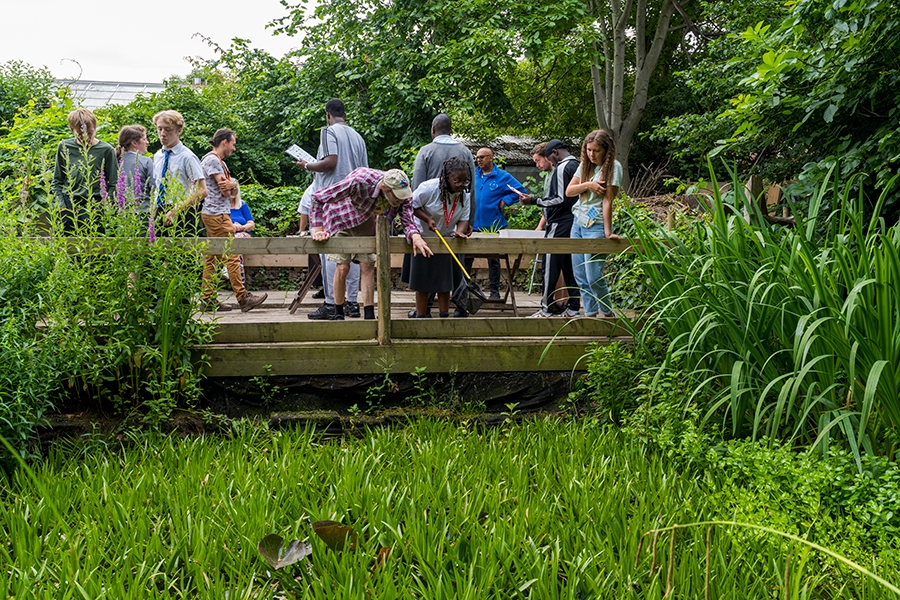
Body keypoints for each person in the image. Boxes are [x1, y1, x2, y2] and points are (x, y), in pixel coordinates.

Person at [309, 168, 433, 321]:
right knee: (342, 266)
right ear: (384, 188)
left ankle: (369, 315)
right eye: (397, 197)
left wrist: (415, 236)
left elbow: (407, 220)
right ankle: (338, 312)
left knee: (367, 266)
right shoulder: (359, 181)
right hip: (342, 220)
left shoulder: (403, 193)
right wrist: (319, 230)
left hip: (369, 226)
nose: (401, 200)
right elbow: (317, 198)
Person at [294, 98, 367, 320]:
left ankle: (330, 303)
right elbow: (363, 171)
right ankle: (352, 303)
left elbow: (330, 162)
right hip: (355, 202)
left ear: (328, 115)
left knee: (330, 254)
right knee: (352, 252)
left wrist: (307, 165)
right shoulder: (358, 137)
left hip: (332, 200)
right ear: (344, 114)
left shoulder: (328, 132)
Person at [406, 113, 477, 317]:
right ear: (451, 130)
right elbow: (415, 197)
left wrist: (463, 227)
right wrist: (471, 224)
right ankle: (423, 312)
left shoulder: (426, 151)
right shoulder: (465, 151)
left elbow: (468, 192)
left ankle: (437, 311)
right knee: (426, 273)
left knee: (447, 273)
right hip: (428, 225)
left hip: (450, 226)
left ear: (433, 130)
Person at [197, 128, 267, 312]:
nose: (234, 148)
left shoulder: (218, 161)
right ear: (224, 142)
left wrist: (232, 185)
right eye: (233, 144)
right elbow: (226, 191)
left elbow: (231, 188)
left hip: (215, 214)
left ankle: (207, 298)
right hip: (217, 215)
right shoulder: (212, 160)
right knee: (233, 254)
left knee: (213, 258)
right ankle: (243, 298)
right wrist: (232, 185)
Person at [514, 139, 582, 318]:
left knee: (550, 265)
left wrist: (534, 200)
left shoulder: (561, 168)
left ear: (553, 153)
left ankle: (546, 309)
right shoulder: (577, 165)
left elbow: (560, 199)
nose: (540, 164)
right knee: (569, 266)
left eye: (540, 160)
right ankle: (574, 307)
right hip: (573, 221)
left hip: (559, 222)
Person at [565, 130, 622, 318]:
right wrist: (588, 185)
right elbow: (569, 191)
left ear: (606, 150)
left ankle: (607, 312)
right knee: (580, 276)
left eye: (596, 151)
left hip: (595, 226)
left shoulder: (614, 167)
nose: (592, 154)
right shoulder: (584, 166)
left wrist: (607, 232)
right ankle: (589, 314)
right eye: (589, 150)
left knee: (594, 276)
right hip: (578, 224)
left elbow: (608, 201)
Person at [408, 157, 471, 318]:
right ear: (447, 178)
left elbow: (464, 218)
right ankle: (421, 316)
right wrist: (427, 219)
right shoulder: (428, 188)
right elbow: (410, 205)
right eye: (457, 181)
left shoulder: (464, 195)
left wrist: (460, 232)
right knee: (423, 282)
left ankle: (444, 317)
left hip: (446, 240)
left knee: (445, 281)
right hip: (423, 238)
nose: (462, 185)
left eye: (465, 181)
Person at [470, 147, 527, 299]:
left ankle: (494, 292)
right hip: (472, 224)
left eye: (482, 157)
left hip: (492, 226)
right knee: (467, 258)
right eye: (477, 157)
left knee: (493, 260)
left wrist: (506, 200)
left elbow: (521, 191)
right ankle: (464, 289)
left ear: (491, 158)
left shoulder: (502, 177)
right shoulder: (473, 175)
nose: (479, 160)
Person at [52, 108, 118, 232]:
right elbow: (56, 181)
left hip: (95, 203)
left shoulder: (106, 149)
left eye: (90, 132)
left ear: (95, 128)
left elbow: (114, 183)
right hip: (70, 202)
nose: (85, 137)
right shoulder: (65, 147)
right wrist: (62, 206)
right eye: (80, 133)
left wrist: (104, 206)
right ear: (72, 131)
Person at [152, 110, 206, 235]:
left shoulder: (187, 157)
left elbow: (202, 191)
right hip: (160, 210)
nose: (162, 134)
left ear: (179, 130)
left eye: (168, 129)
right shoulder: (158, 156)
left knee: (181, 252)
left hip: (182, 213)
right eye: (159, 129)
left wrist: (176, 211)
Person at [115, 124, 154, 212]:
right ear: (134, 143)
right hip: (143, 212)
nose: (147, 142)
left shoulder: (115, 160)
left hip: (121, 213)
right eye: (144, 139)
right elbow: (154, 187)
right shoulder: (146, 161)